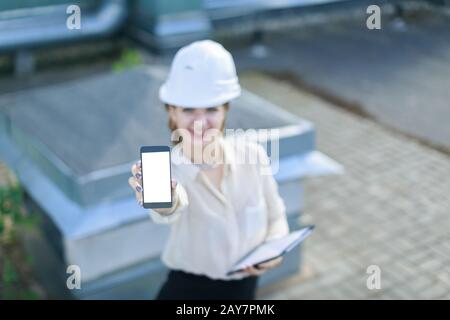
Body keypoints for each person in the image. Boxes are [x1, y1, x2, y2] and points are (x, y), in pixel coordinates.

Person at [128, 40, 289, 300]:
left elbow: (276, 218)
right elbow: (168, 209)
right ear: (172, 112)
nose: (201, 122)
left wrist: (273, 251)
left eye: (212, 109)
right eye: (188, 109)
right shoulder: (166, 170)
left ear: (225, 110)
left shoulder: (253, 156)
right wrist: (163, 202)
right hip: (189, 294)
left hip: (245, 289)